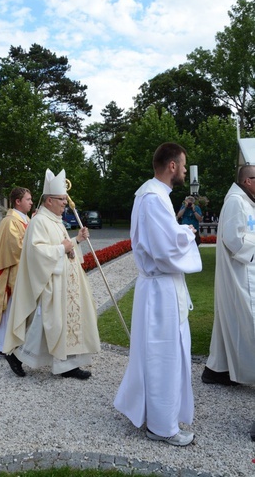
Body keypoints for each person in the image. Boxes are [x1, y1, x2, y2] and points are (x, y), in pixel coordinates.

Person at [114, 142, 202, 447]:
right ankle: (163, 426)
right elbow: (165, 247)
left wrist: (181, 234)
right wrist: (188, 234)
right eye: (183, 163)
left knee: (163, 353)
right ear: (173, 166)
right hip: (160, 290)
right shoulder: (152, 198)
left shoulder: (155, 195)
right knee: (164, 355)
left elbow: (164, 237)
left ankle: (155, 413)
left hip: (162, 287)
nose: (182, 170)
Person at [3, 168, 100, 379]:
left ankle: (67, 365)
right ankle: (17, 356)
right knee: (46, 325)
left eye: (65, 199)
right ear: (48, 201)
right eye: (61, 199)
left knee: (60, 325)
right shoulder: (39, 221)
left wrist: (77, 240)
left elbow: (66, 246)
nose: (65, 203)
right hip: (51, 282)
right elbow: (38, 252)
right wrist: (63, 248)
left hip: (66, 281)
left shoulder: (55, 220)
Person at [202, 164, 255, 386]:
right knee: (247, 322)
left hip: (245, 271)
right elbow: (234, 240)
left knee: (232, 322)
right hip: (240, 274)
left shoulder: (245, 201)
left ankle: (217, 370)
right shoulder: (236, 202)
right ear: (248, 181)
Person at [0, 187, 33, 361]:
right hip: (11, 273)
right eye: (28, 199)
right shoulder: (10, 221)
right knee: (7, 308)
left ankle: (13, 342)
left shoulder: (25, 219)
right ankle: (1, 345)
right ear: (18, 201)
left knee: (17, 309)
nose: (31, 202)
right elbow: (17, 248)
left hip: (22, 271)